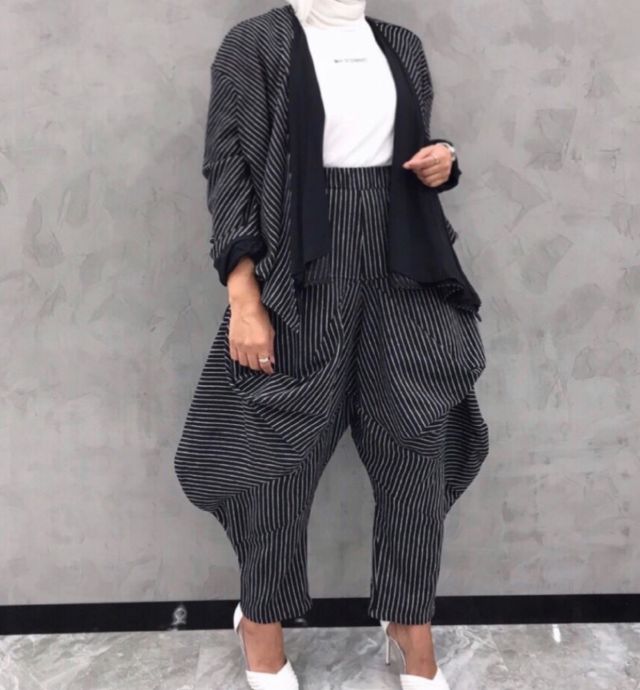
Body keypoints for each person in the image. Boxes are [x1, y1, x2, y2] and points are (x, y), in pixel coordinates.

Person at [174, 1, 490, 688]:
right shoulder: (255, 44)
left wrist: (443, 160)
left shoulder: (400, 44)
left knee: (416, 445)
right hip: (299, 268)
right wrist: (244, 298)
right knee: (276, 456)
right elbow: (228, 172)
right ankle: (261, 619)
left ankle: (409, 620)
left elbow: (406, 147)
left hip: (403, 262)